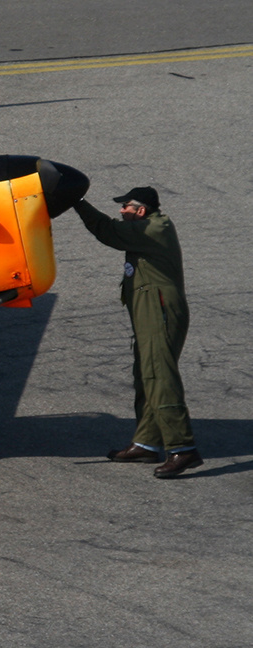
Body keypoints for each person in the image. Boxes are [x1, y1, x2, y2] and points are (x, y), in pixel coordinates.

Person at [74, 187, 202, 479]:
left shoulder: (154, 228)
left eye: (126, 207)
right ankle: (146, 443)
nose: (121, 211)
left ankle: (183, 448)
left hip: (159, 310)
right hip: (149, 309)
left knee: (159, 374)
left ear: (140, 210)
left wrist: (77, 203)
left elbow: (108, 231)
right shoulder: (148, 225)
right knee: (145, 374)